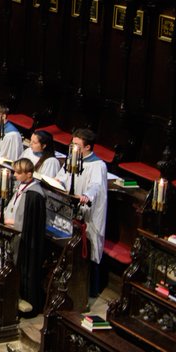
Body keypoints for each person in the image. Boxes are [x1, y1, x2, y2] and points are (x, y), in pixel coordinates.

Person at [0, 158, 47, 317]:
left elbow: (27, 223)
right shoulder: (22, 187)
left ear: (29, 174)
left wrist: (4, 219)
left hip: (23, 241)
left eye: (18, 173)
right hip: (10, 233)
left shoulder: (35, 195)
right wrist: (0, 215)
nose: (14, 175)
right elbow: (13, 209)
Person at [70, 128, 109, 299]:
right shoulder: (73, 158)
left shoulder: (98, 165)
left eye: (77, 145)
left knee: (90, 247)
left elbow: (96, 186)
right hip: (72, 207)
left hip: (90, 214)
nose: (73, 147)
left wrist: (87, 196)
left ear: (87, 148)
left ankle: (90, 290)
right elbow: (65, 177)